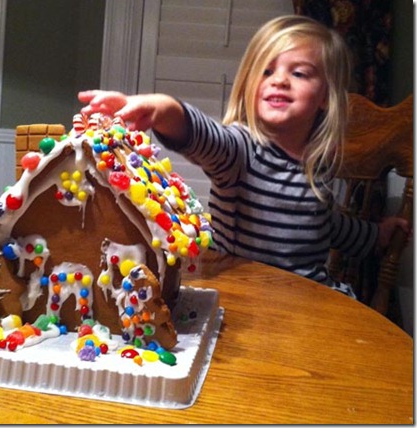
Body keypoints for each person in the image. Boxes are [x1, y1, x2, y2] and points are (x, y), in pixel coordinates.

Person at [78, 15, 410, 298]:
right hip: (248, 297)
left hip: (308, 298)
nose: (279, 80)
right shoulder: (242, 151)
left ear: (325, 96)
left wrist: (375, 235)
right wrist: (165, 109)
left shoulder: (316, 165)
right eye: (266, 72)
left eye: (299, 73)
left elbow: (320, 223)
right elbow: (207, 137)